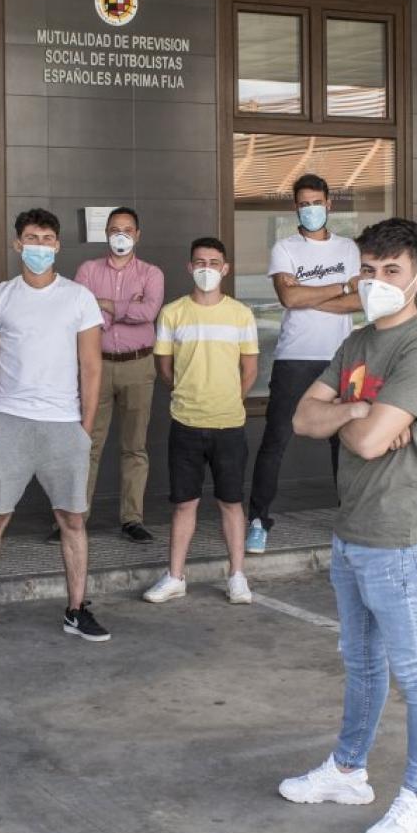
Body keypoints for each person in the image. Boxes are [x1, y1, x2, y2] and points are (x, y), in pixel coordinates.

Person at [278, 218, 417, 833]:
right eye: (370, 270)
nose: (378, 282)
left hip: (400, 535)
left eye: (393, 272)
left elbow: (374, 440)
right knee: (360, 661)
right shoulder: (357, 342)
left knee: (415, 669)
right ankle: (349, 771)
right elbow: (302, 417)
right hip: (352, 527)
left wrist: (352, 420)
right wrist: (357, 409)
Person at [0, 209, 108, 648]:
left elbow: (91, 367)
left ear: (58, 245)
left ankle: (77, 609)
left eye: (47, 238)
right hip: (10, 422)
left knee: (72, 519)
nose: (39, 246)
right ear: (17, 244)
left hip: (64, 425)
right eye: (31, 237)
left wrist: (83, 428)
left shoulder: (79, 298)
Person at [247, 173, 362, 555]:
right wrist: (340, 287)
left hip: (340, 356)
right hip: (294, 358)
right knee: (276, 440)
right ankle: (259, 521)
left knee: (342, 442)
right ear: (295, 206)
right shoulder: (285, 246)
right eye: (303, 203)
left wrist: (308, 295)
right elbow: (288, 299)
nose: (311, 209)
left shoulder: (348, 248)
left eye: (317, 202)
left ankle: (350, 518)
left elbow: (358, 302)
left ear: (330, 203)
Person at [142, 237, 259, 605]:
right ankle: (175, 576)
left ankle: (237, 576)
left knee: (231, 502)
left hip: (229, 424)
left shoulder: (241, 314)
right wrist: (188, 393)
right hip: (186, 423)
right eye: (200, 262)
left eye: (214, 262)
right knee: (184, 504)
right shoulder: (173, 313)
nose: (207, 268)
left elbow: (250, 368)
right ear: (190, 267)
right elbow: (164, 367)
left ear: (226, 268)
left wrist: (227, 398)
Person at [66, 205, 164, 544]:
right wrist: (124, 309)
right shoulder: (88, 270)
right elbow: (81, 313)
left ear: (138, 234)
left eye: (127, 229)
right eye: (114, 229)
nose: (120, 235)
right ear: (105, 233)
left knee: (134, 446)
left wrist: (106, 305)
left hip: (139, 365)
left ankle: (132, 519)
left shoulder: (152, 273)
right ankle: (77, 517)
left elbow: (149, 311)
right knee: (87, 444)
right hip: (97, 365)